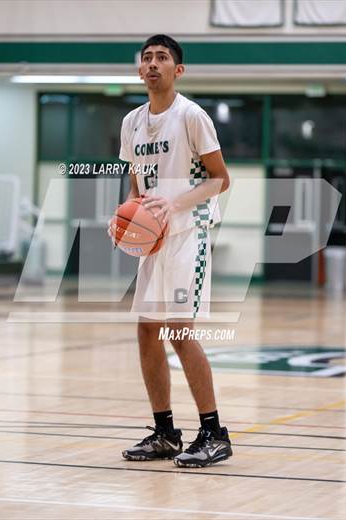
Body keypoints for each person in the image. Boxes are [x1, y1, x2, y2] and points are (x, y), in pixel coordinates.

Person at [109, 34, 232, 468]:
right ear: (139, 70)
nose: (153, 64)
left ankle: (214, 432)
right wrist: (126, 218)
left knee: (179, 331)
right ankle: (164, 432)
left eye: (162, 58)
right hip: (155, 242)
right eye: (147, 58)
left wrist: (175, 205)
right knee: (146, 331)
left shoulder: (191, 116)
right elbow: (137, 184)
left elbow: (220, 179)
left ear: (177, 70)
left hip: (188, 234)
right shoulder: (131, 122)